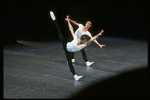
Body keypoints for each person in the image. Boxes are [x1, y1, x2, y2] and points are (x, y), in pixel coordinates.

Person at [50, 11, 104, 81]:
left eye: (80, 39)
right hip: (68, 48)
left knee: (70, 63)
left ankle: (75, 75)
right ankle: (54, 19)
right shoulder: (83, 45)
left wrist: (98, 37)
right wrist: (98, 35)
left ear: (80, 39)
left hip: (66, 48)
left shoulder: (78, 40)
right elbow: (72, 28)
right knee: (59, 32)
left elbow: (72, 29)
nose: (79, 38)